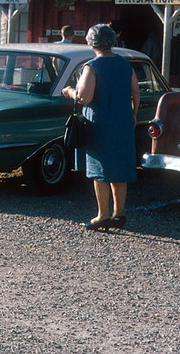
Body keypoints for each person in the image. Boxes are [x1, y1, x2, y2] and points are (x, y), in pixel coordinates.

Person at [61, 24, 142, 231]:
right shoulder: (125, 64)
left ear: (91, 43)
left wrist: (70, 91)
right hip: (123, 122)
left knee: (100, 170)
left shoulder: (92, 66)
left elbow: (84, 97)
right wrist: (133, 114)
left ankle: (102, 215)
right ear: (111, 41)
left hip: (101, 124)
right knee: (119, 169)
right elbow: (136, 92)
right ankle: (119, 214)